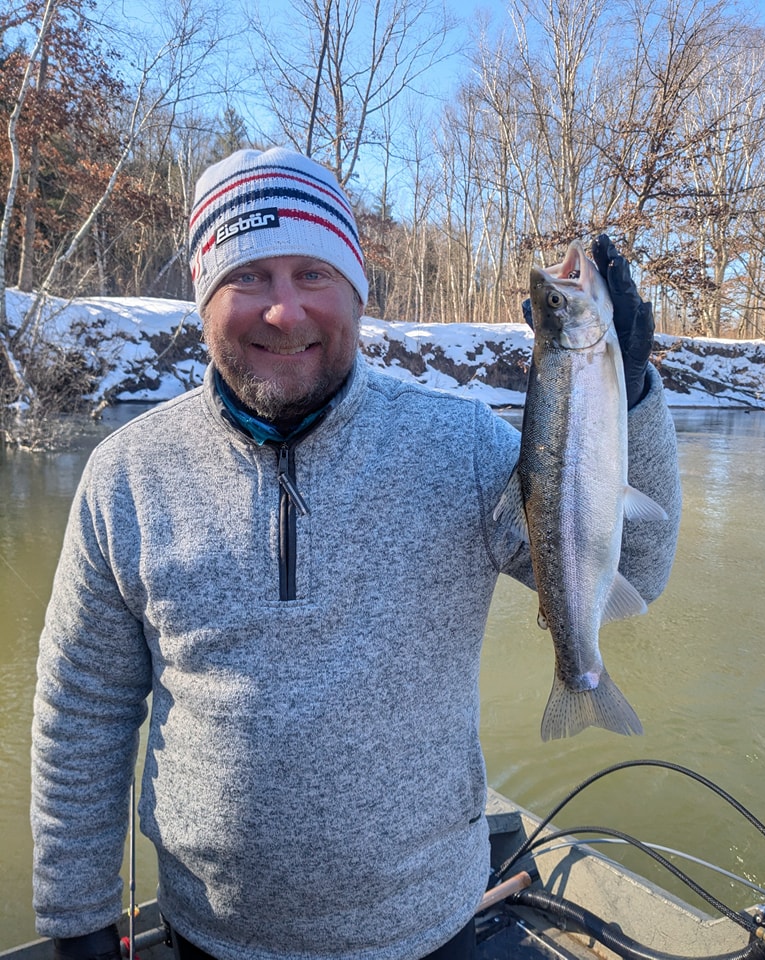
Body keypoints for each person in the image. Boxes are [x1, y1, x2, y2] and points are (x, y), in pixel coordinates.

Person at [31, 147, 682, 960]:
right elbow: (82, 712)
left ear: (356, 292)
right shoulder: (125, 475)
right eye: (248, 277)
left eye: (312, 274)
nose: (284, 312)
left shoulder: (465, 449)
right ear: (202, 294)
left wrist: (629, 392)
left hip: (427, 928)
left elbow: (635, 570)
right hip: (208, 937)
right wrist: (77, 919)